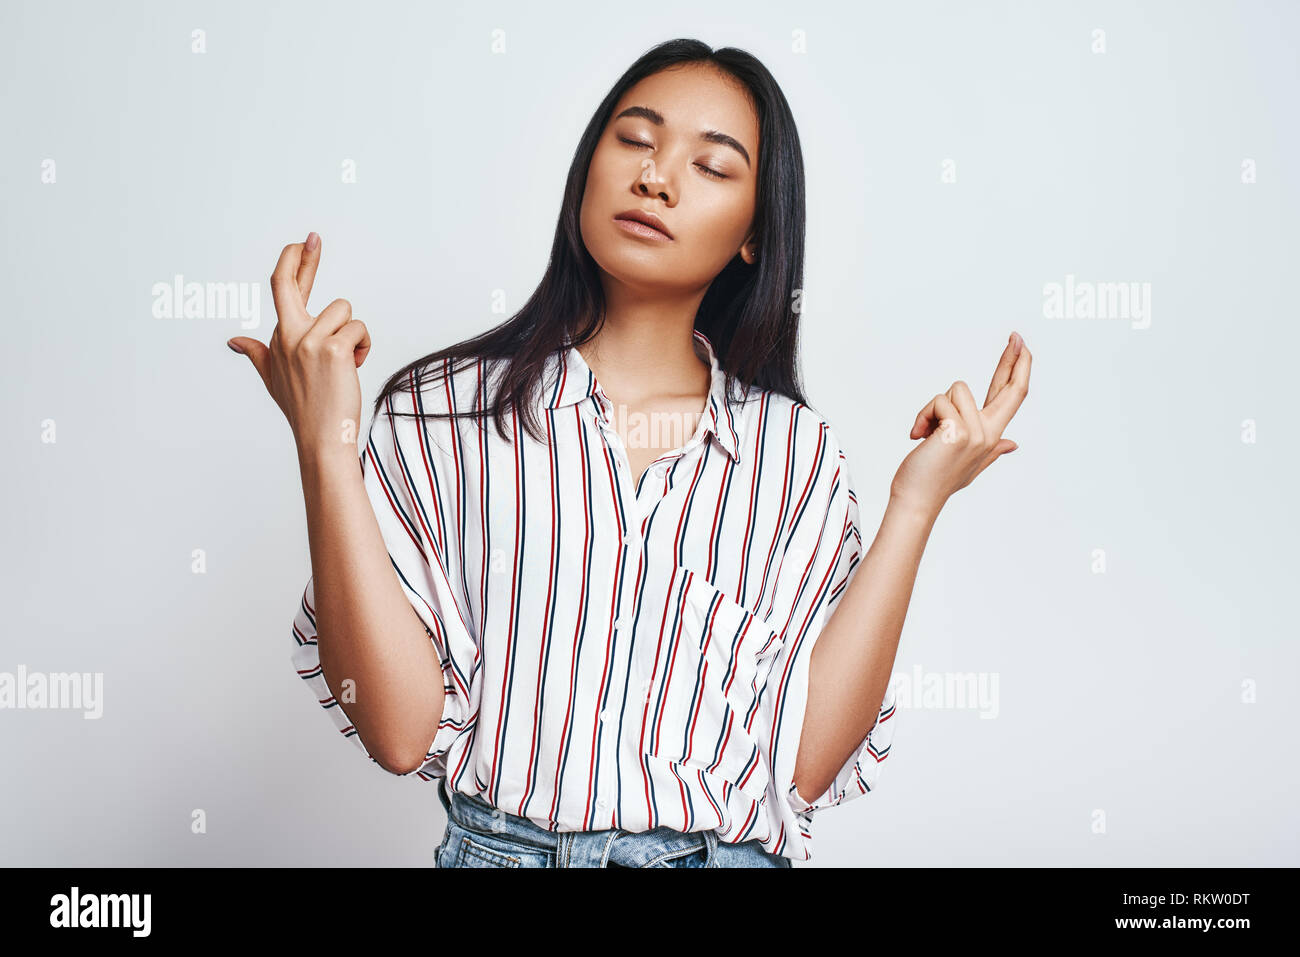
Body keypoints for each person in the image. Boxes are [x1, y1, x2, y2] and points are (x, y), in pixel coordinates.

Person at [229, 38, 1031, 868]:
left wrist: (916, 504)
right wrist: (324, 447)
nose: (657, 178)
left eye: (713, 167)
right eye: (635, 140)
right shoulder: (441, 412)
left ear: (755, 235)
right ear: (589, 168)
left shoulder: (796, 455)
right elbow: (396, 732)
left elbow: (806, 761)